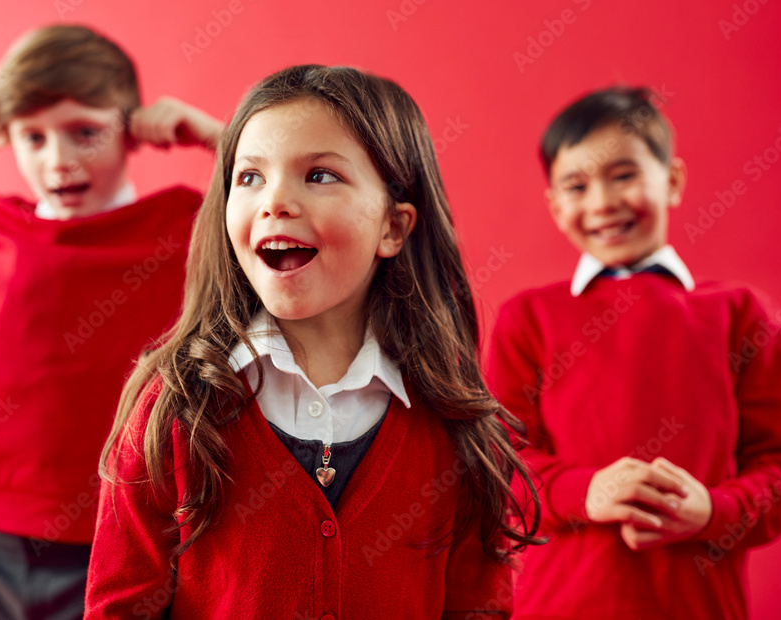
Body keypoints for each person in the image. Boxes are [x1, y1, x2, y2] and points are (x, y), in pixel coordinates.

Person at [84, 64, 541, 619]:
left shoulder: (453, 426)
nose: (275, 202)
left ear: (392, 228)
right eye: (250, 177)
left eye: (320, 175)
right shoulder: (175, 407)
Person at [0, 24, 222, 620]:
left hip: (122, 534)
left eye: (85, 131)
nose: (59, 160)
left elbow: (265, 218)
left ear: (130, 129)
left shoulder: (183, 225)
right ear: (8, 139)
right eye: (33, 137)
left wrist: (217, 137)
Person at [485, 87, 781, 619]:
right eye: (577, 185)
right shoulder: (526, 318)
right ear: (554, 204)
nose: (602, 203)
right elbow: (497, 463)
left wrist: (716, 509)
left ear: (673, 180)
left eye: (623, 175)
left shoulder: (740, 314)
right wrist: (585, 490)